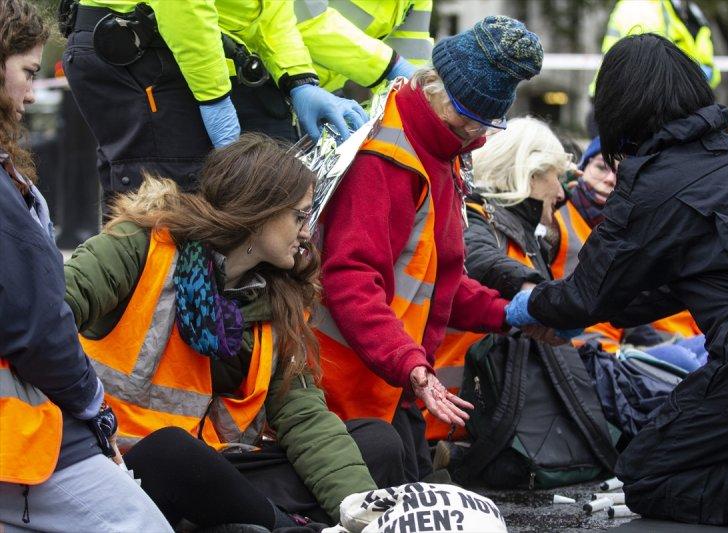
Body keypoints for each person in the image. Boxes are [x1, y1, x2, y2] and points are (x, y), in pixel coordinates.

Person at [506, 33, 728, 525]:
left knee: (647, 476)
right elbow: (673, 284)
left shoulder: (653, 181)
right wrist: (584, 316)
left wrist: (531, 306)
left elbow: (586, 291)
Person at [63, 134, 402, 526]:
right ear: (259, 213)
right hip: (121, 470)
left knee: (378, 443)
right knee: (173, 452)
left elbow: (305, 419)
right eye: (300, 216)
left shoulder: (277, 297)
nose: (307, 233)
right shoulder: (139, 246)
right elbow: (47, 318)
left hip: (217, 474)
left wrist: (360, 510)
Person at [315, 15, 543, 483]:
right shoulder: (386, 156)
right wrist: (413, 367)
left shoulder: (442, 149)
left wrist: (509, 314)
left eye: (485, 124)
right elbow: (350, 279)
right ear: (436, 86)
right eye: (467, 118)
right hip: (338, 390)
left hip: (391, 380)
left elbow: (435, 281)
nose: (475, 136)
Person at [0, 1, 170, 530]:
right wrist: (95, 408)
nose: (31, 93)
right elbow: (39, 327)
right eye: (27, 72)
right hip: (21, 438)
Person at [61, 0, 368, 210]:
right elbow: (185, 7)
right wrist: (215, 99)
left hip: (172, 51)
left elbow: (269, 10)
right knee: (168, 213)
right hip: (137, 47)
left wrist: (299, 81)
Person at [425, 116, 570, 441]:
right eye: (556, 177)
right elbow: (475, 256)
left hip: (487, 415)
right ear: (530, 175)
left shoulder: (522, 228)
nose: (561, 192)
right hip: (453, 421)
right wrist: (531, 288)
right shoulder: (474, 217)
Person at [553, 136, 701, 348]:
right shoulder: (557, 216)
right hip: (581, 347)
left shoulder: (635, 223)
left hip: (646, 343)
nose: (610, 179)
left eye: (621, 174)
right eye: (601, 167)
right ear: (582, 168)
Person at [586, 0, 720, 135]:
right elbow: (644, 67)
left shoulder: (689, 11)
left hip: (679, 103)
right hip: (632, 106)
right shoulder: (643, 6)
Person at [295, 0, 432, 93]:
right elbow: (304, 17)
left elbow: (414, 51)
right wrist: (389, 66)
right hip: (283, 77)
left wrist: (424, 88)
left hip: (325, 94)